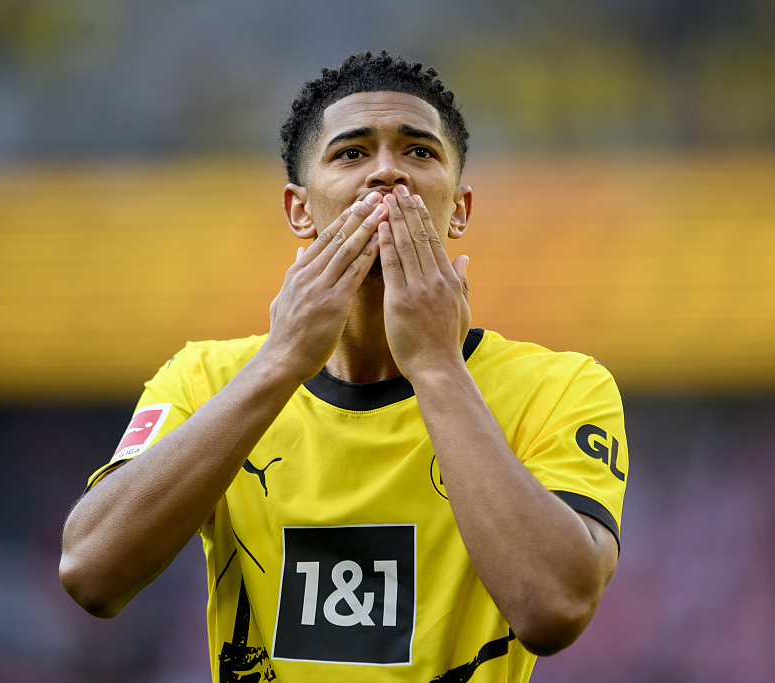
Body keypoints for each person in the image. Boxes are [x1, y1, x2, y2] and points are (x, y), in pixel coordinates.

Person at [60, 51, 628, 682]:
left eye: (419, 152)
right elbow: (91, 574)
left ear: (460, 209)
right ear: (298, 209)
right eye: (352, 153)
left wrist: (437, 367)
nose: (388, 173)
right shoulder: (205, 379)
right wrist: (281, 361)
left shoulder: (561, 387)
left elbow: (555, 609)